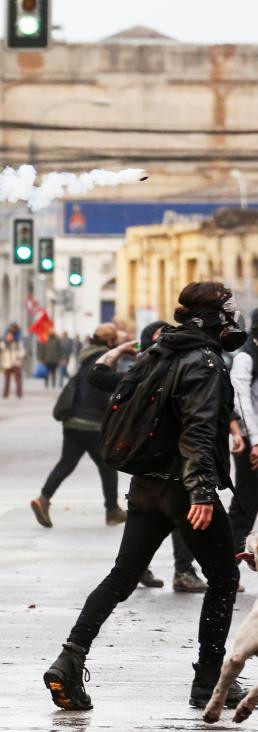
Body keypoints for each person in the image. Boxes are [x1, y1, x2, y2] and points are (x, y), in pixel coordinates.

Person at [43, 282, 248, 713]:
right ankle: (210, 684)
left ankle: (69, 657)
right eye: (227, 312)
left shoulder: (159, 352)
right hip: (183, 488)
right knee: (225, 579)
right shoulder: (205, 361)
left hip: (145, 485)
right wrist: (202, 493)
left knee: (122, 576)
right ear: (212, 319)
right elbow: (197, 429)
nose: (233, 319)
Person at [29, 324, 127, 529]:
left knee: (66, 463)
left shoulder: (85, 356)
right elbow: (103, 394)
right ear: (110, 342)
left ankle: (43, 498)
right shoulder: (104, 360)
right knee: (107, 466)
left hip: (72, 422)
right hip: (92, 424)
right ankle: (112, 511)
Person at [229, 308, 258, 555]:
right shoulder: (246, 357)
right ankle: (227, 569)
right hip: (252, 444)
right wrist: (256, 442)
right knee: (246, 506)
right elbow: (241, 401)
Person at [0, 329, 24, 399]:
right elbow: (1, 354)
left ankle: (19, 394)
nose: (9, 337)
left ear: (13, 336)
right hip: (7, 364)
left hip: (16, 363)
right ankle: (5, 394)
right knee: (6, 381)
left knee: (18, 380)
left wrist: (18, 356)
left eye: (10, 335)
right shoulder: (3, 344)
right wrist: (2, 362)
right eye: (8, 335)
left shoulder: (17, 343)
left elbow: (22, 352)